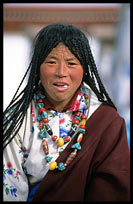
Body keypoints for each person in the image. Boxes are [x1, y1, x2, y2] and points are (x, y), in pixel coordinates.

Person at [3, 23, 130, 202]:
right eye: (51, 62)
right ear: (38, 67)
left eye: (71, 63)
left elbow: (111, 189)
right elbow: (10, 190)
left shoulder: (107, 121)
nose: (61, 72)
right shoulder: (16, 120)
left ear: (84, 69)